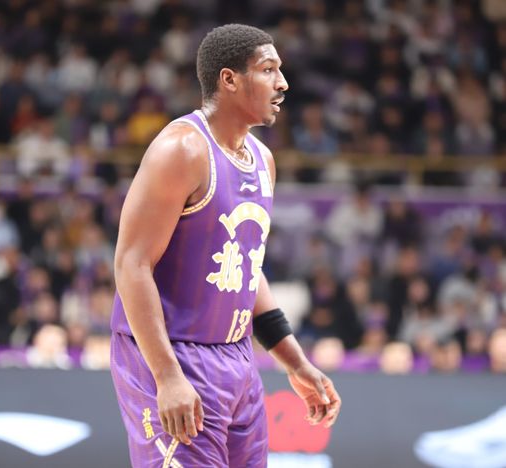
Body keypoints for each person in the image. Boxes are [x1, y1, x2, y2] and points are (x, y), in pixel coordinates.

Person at [110, 24, 341, 468]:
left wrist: (294, 362)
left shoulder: (263, 160)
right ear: (229, 79)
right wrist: (167, 376)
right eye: (268, 70)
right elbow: (131, 265)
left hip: (236, 357)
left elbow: (247, 272)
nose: (282, 83)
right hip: (174, 351)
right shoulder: (181, 150)